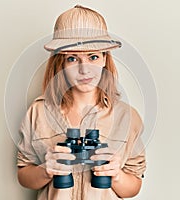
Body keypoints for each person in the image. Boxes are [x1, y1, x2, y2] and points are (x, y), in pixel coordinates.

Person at [16, 5, 146, 200]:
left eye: (93, 57)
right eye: (72, 58)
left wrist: (116, 174)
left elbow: (133, 187)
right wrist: (46, 170)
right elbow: (24, 176)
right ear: (61, 64)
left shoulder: (126, 116)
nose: (84, 70)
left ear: (104, 59)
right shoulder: (39, 112)